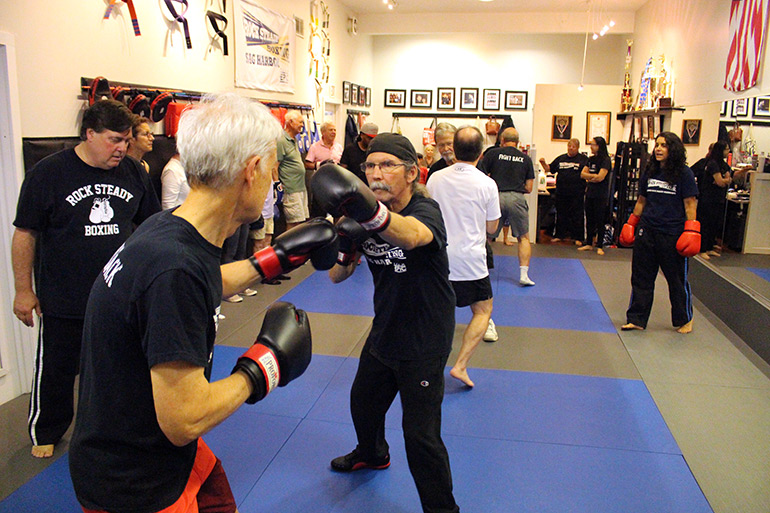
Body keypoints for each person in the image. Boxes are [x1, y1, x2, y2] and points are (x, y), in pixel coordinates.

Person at [69, 93, 339, 513]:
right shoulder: (173, 269)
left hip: (143, 449)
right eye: (270, 171)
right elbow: (185, 420)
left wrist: (274, 258)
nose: (272, 182)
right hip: (137, 483)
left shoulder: (168, 228)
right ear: (251, 171)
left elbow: (203, 281)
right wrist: (264, 365)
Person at [312, 134, 460, 513]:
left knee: (420, 436)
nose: (376, 174)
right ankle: (373, 453)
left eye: (387, 165)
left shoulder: (426, 211)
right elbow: (336, 278)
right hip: (386, 327)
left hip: (426, 333)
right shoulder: (359, 217)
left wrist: (369, 215)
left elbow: (412, 237)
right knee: (363, 402)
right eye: (371, 166)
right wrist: (344, 246)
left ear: (412, 173)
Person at [11, 99, 161, 458]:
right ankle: (46, 429)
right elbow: (25, 233)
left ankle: (117, 427)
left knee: (122, 366)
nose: (122, 148)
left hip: (118, 294)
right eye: (113, 140)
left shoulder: (132, 172)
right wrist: (22, 290)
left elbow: (153, 224)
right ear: (89, 134)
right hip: (64, 294)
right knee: (58, 370)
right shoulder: (48, 174)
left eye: (126, 140)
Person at [427, 126, 500, 388]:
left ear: (453, 150)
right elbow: (492, 228)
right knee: (483, 310)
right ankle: (460, 366)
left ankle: (429, 367)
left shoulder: (434, 179)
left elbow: (427, 214)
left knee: (437, 314)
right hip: (470, 261)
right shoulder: (487, 183)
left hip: (437, 259)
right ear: (481, 152)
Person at [619, 132, 700, 334]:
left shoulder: (684, 173)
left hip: (672, 233)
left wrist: (690, 229)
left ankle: (684, 319)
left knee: (676, 280)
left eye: (663, 145)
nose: (658, 149)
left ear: (673, 149)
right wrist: (631, 223)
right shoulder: (651, 171)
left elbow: (690, 203)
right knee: (641, 277)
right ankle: (637, 319)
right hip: (647, 230)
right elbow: (641, 200)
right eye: (657, 145)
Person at [478, 127, 536, 286]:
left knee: (487, 237)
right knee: (523, 237)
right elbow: (530, 188)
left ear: (502, 140)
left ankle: (479, 271)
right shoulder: (526, 159)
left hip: (496, 196)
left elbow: (480, 176)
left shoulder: (493, 153)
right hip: (517, 197)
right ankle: (524, 275)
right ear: (517, 143)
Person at [539, 138, 589, 243]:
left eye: (573, 146)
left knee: (577, 215)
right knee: (561, 214)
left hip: (577, 193)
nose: (571, 148)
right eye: (569, 146)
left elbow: (587, 174)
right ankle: (559, 235)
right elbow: (549, 169)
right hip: (562, 192)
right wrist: (543, 163)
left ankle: (578, 238)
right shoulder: (561, 158)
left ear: (578, 148)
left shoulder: (583, 159)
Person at [578, 136, 613, 255]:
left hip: (601, 194)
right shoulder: (590, 159)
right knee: (589, 218)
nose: (591, 147)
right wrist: (593, 178)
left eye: (593, 144)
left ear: (599, 146)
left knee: (600, 219)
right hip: (590, 193)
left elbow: (601, 177)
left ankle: (599, 245)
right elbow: (582, 174)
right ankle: (588, 243)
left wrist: (591, 177)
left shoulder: (606, 160)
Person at [697, 141, 731, 259]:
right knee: (705, 224)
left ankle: (709, 247)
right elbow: (721, 182)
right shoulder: (712, 164)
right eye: (726, 149)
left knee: (714, 224)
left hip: (718, 199)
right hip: (708, 199)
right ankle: (702, 249)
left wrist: (724, 180)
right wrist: (724, 180)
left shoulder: (723, 164)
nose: (728, 151)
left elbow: (727, 178)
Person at [277, 110, 308, 230]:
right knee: (293, 224)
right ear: (290, 122)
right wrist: (277, 186)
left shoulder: (294, 139)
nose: (302, 125)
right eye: (300, 122)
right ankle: (291, 249)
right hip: (290, 189)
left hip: (300, 188)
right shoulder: (281, 140)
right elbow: (275, 166)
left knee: (300, 223)